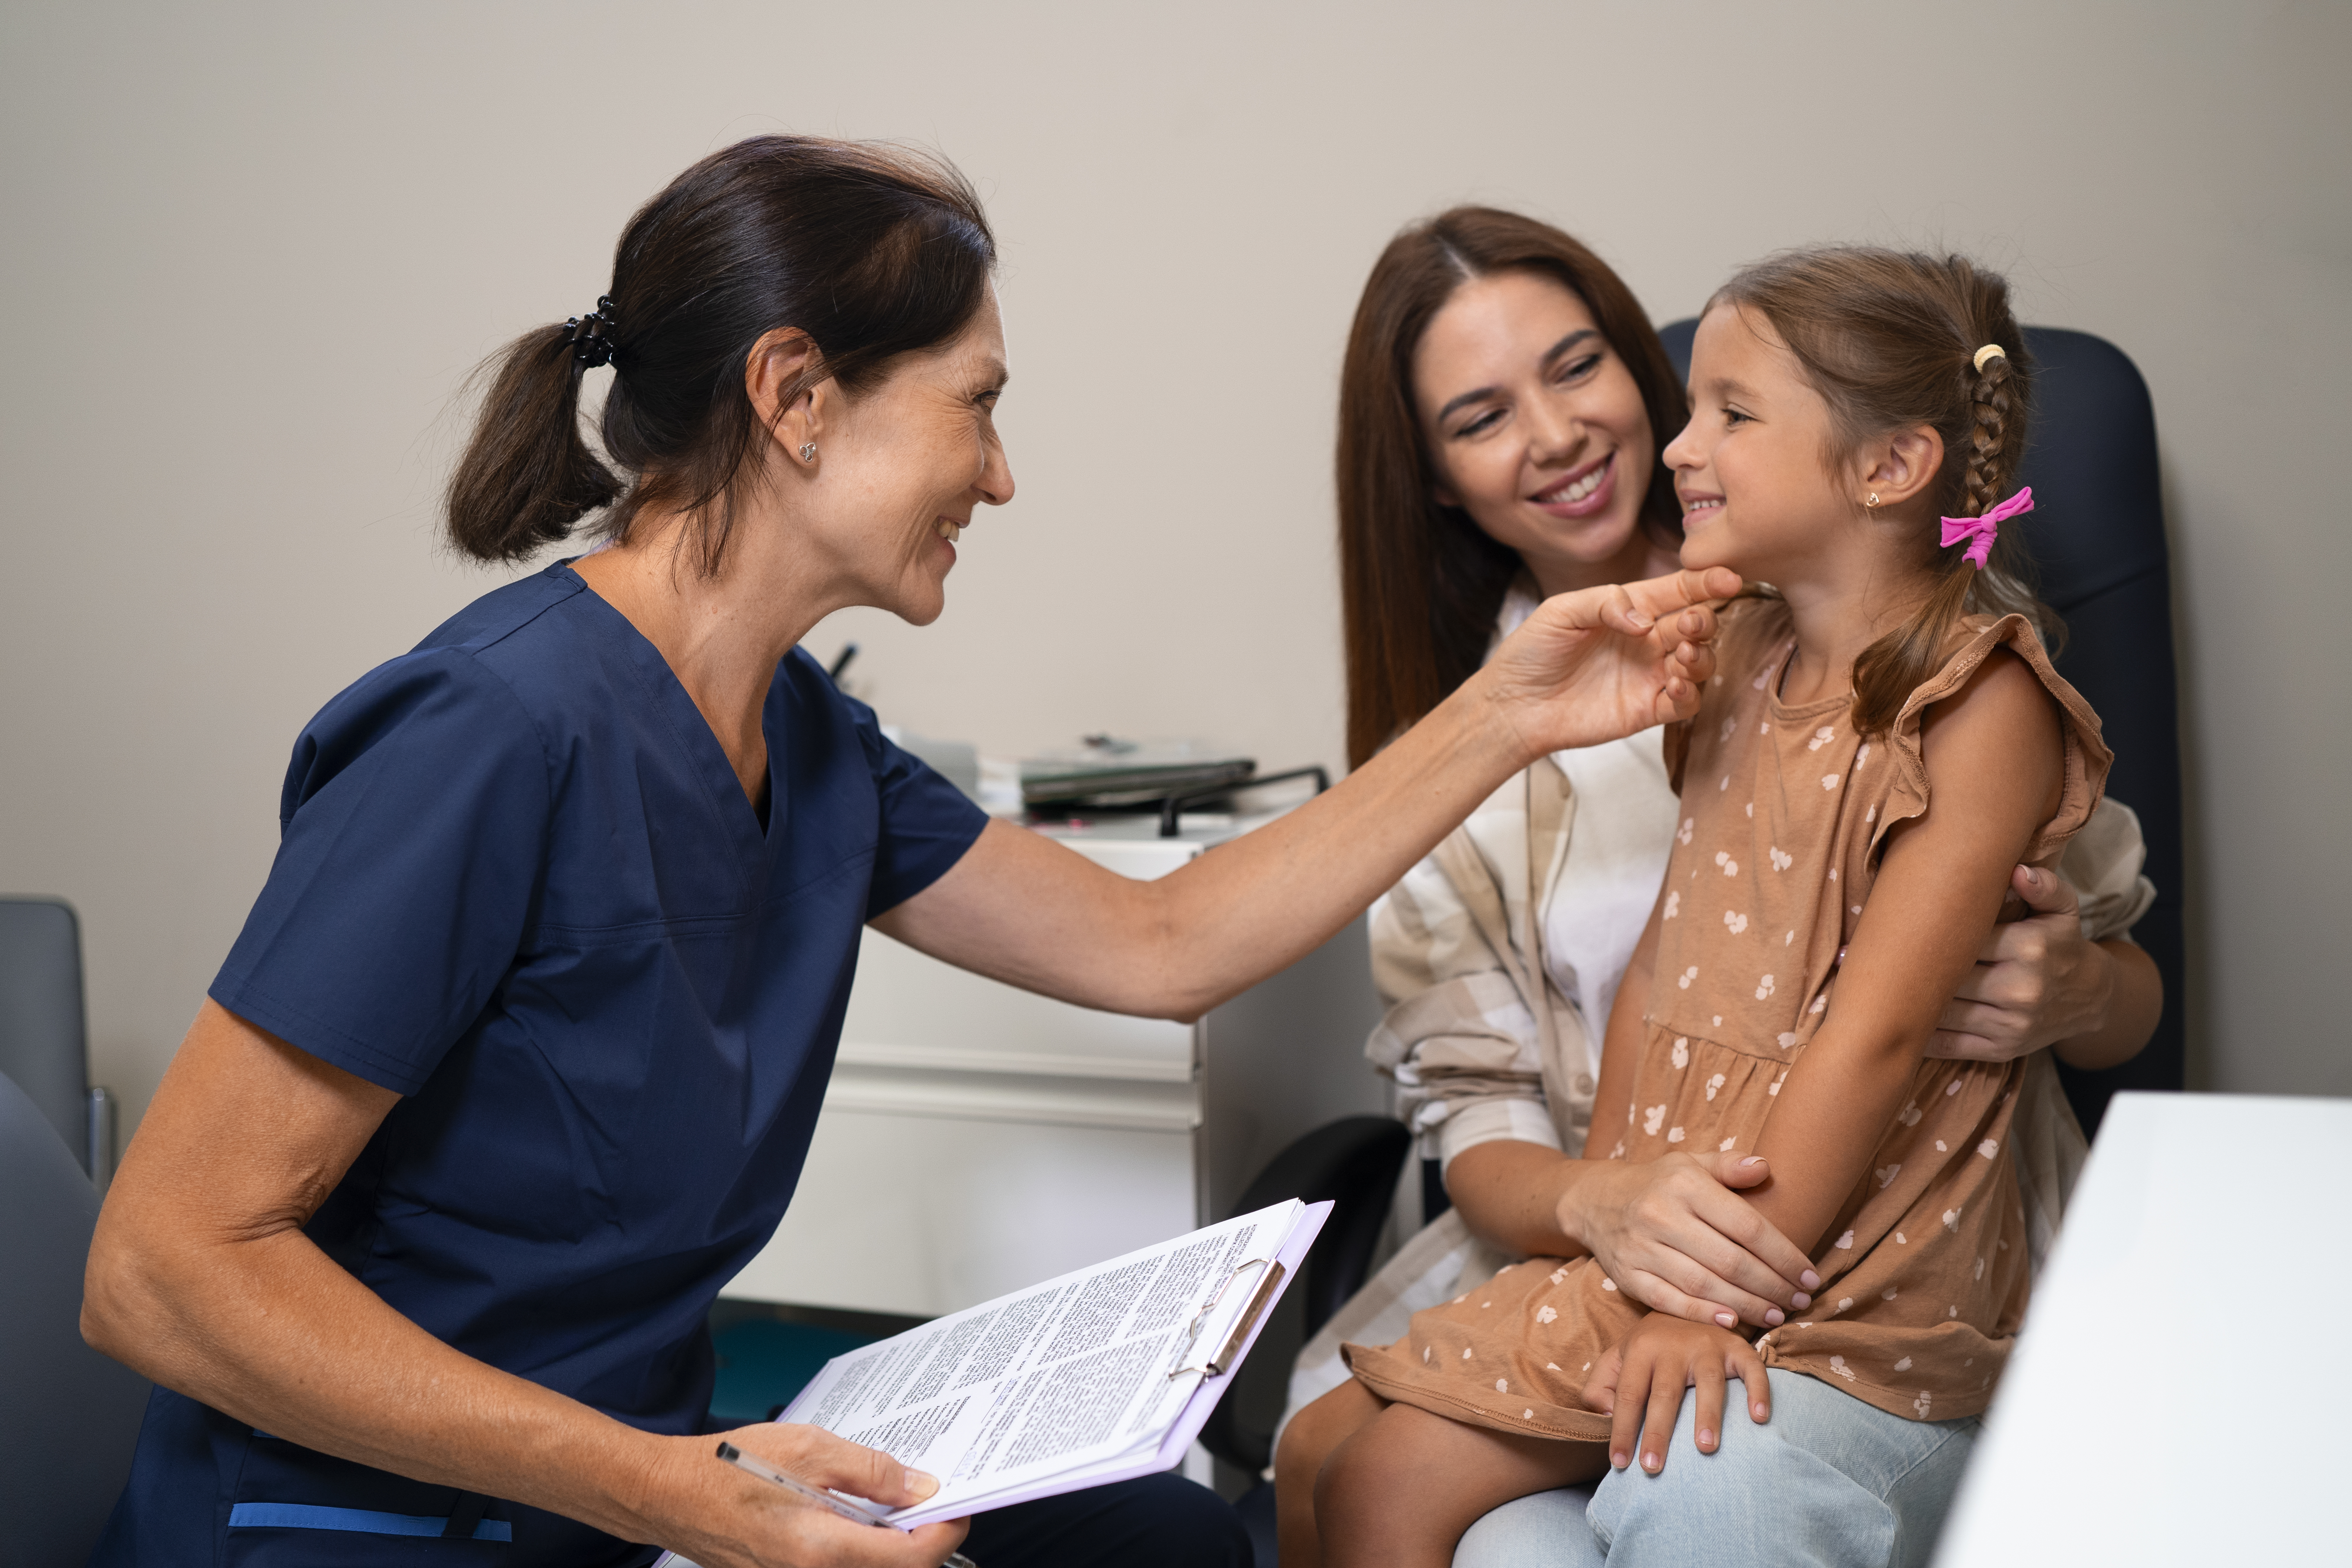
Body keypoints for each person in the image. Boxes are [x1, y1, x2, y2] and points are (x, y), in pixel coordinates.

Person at [77, 138, 1738, 1568]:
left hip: (635, 1495)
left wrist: (1508, 710)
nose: (1000, 476)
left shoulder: (807, 740)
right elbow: (157, 1271)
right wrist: (679, 1487)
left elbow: (1160, 945)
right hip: (379, 1524)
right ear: (795, 397)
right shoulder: (489, 732)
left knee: (1160, 1536)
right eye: (977, 406)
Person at [1274, 211, 2161, 1566]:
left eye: (1577, 367)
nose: (1562, 435)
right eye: (1480, 416)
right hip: (1639, 1220)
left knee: (1389, 1481)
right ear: (1434, 478)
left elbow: (1895, 1030)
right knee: (1323, 1457)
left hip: (1839, 1252)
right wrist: (1616, 1217)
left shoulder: (1954, 692)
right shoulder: (1726, 656)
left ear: (1887, 464)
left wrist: (2083, 986)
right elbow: (1642, 985)